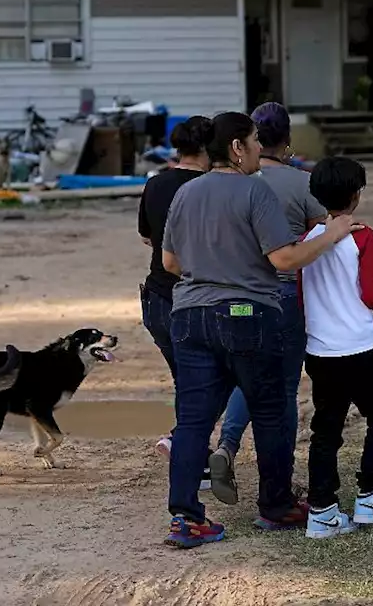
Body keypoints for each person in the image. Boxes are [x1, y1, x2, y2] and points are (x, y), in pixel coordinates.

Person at [160, 111, 360, 548]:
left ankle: (186, 519)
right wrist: (333, 232)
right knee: (271, 410)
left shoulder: (185, 191)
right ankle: (277, 506)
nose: (258, 149)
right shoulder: (255, 190)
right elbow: (284, 259)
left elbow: (170, 264)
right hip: (247, 315)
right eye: (253, 141)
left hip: (189, 317)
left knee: (192, 420)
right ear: (237, 147)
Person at [209, 102, 326, 506]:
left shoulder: (234, 182)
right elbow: (322, 234)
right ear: (287, 139)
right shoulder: (302, 183)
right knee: (284, 389)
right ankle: (279, 481)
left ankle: (226, 444)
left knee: (248, 377)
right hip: (284, 295)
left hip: (238, 296)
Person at [297, 156, 373, 539]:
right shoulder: (362, 236)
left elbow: (301, 295)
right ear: (356, 195)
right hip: (360, 349)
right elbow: (371, 294)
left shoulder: (307, 240)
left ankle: (322, 510)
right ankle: (371, 495)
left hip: (320, 352)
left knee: (326, 430)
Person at [137, 116, 213, 489]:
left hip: (155, 298)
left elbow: (148, 238)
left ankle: (193, 455)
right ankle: (185, 446)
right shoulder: (208, 188)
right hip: (193, 298)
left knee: (188, 380)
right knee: (208, 381)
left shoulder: (155, 184)